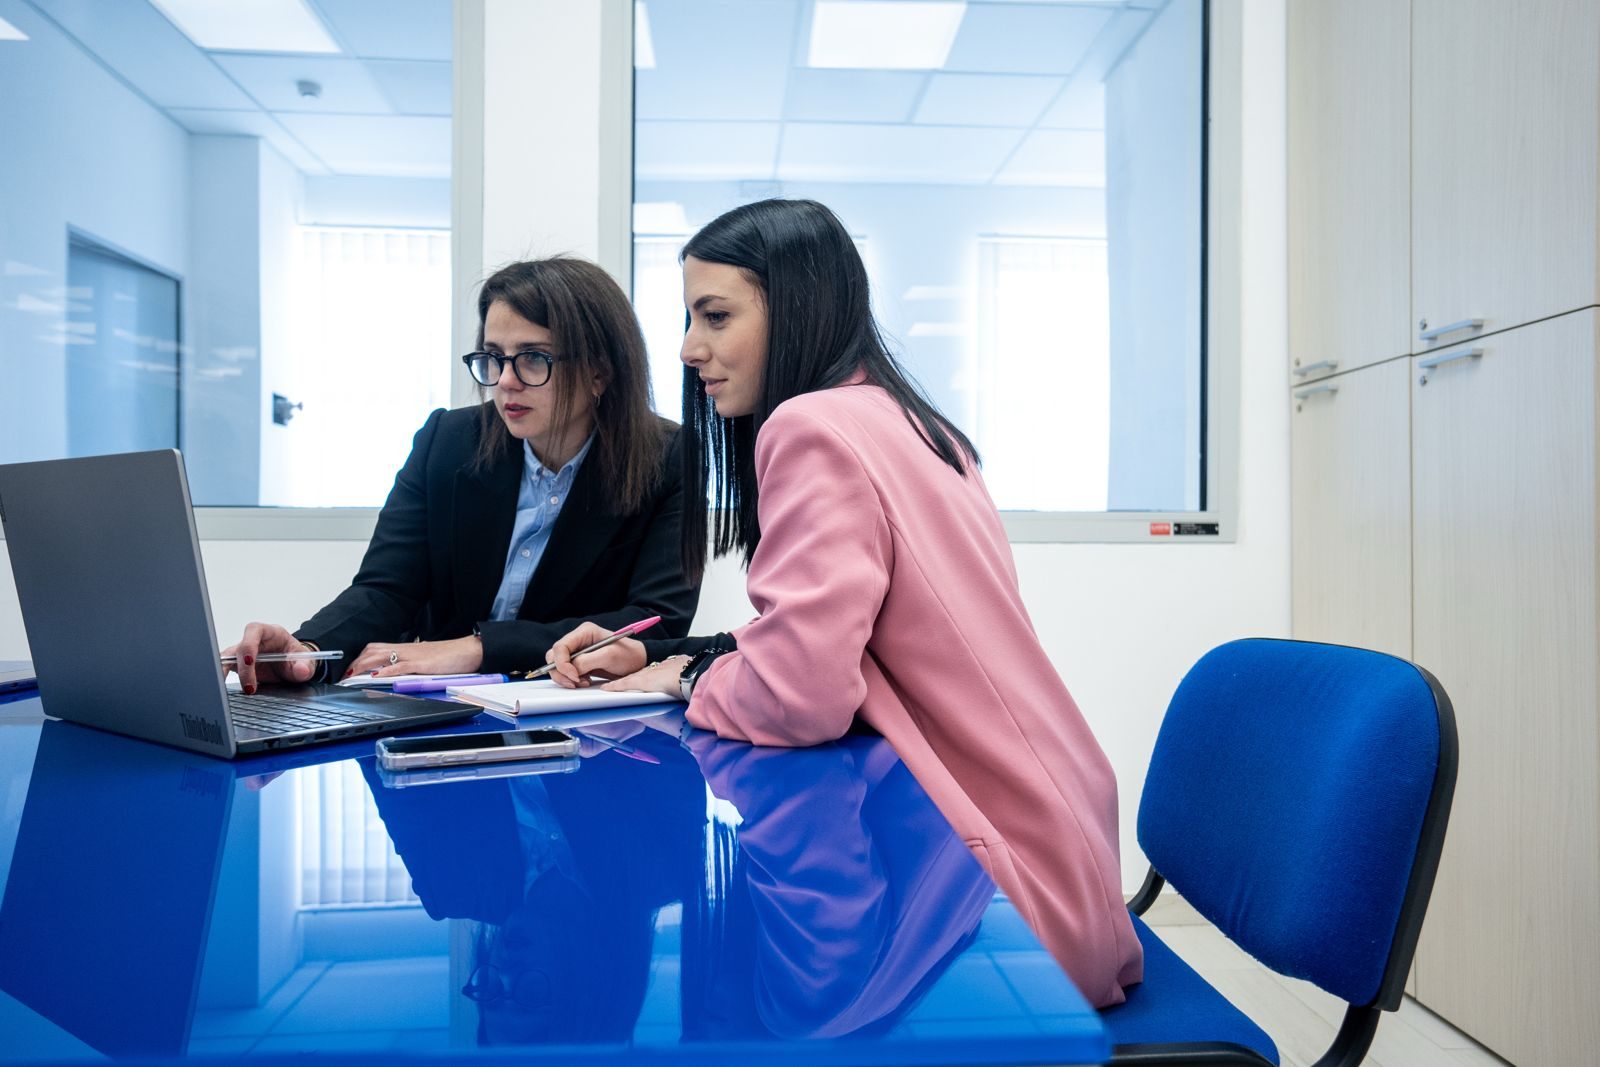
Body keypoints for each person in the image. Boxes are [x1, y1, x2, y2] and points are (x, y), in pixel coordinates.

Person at [544, 199, 1143, 1007]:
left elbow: (799, 696)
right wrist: (668, 657)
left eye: (716, 316)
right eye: (690, 318)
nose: (688, 348)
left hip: (1011, 889)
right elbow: (838, 636)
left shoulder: (809, 427)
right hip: (1057, 844)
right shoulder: (912, 421)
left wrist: (684, 681)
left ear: (796, 305)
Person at [227, 257, 700, 691]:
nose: (506, 381)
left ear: (600, 371)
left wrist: (477, 648)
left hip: (577, 709)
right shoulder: (448, 440)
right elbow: (386, 589)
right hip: (437, 702)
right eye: (494, 357)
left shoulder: (669, 459)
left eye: (533, 358)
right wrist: (306, 652)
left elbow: (655, 623)